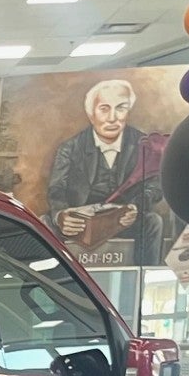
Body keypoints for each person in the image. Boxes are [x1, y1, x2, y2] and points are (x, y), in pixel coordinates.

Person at [46, 79, 166, 265]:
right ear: (91, 114)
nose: (112, 118)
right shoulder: (70, 148)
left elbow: (155, 186)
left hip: (123, 221)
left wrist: (136, 206)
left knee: (153, 222)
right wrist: (61, 215)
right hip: (80, 223)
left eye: (121, 108)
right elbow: (56, 189)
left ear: (128, 111)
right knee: (45, 222)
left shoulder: (144, 144)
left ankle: (143, 277)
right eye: (104, 109)